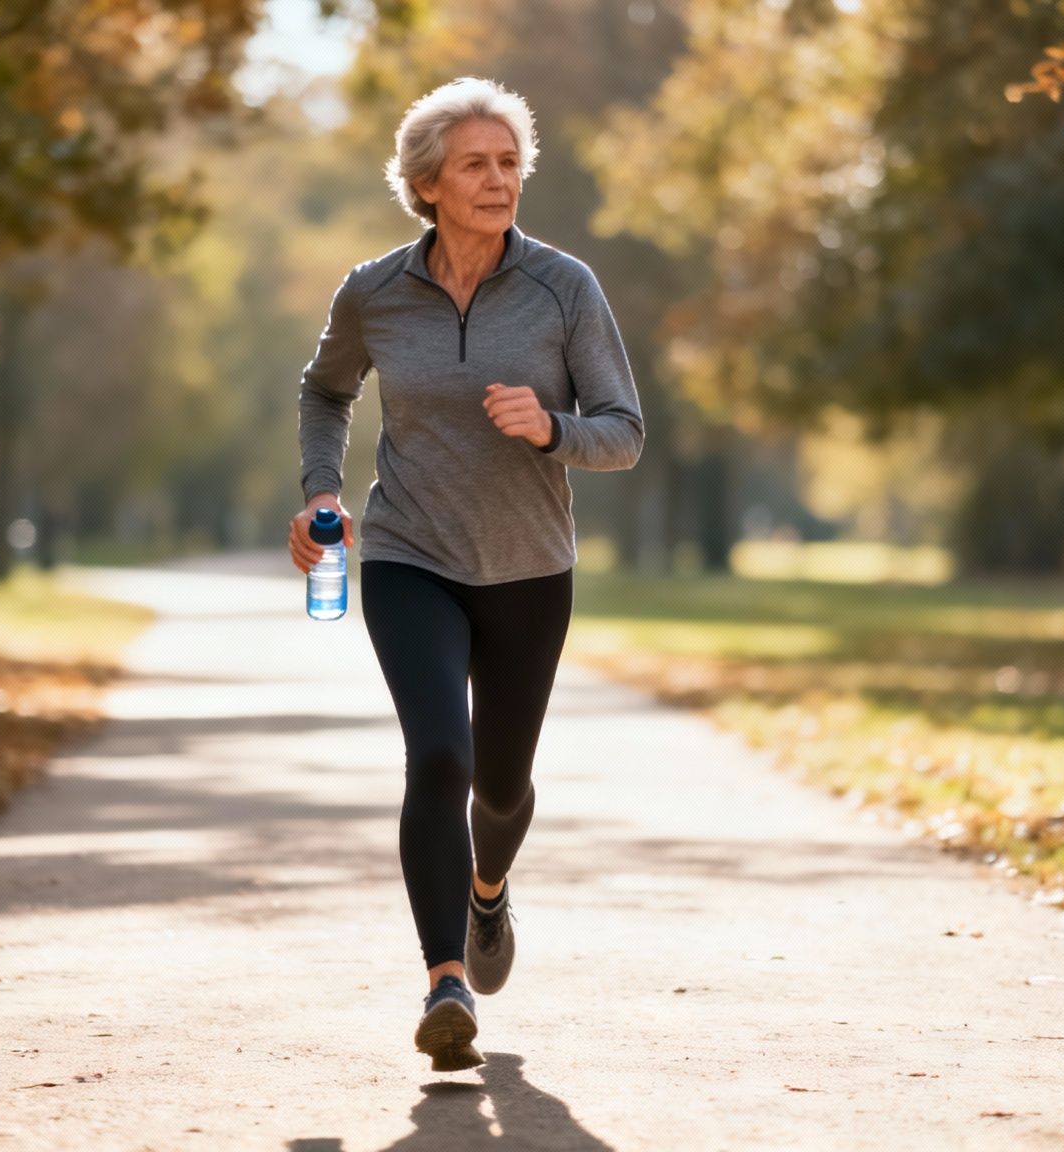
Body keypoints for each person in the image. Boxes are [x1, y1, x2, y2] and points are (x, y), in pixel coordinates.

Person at [286, 76, 645, 1073]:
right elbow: (324, 393)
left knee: (499, 782)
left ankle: (488, 890)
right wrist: (322, 492)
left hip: (529, 566)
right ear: (426, 184)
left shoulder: (562, 287)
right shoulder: (373, 292)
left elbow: (624, 434)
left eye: (509, 163)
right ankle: (445, 979)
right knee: (437, 756)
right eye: (477, 165)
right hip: (409, 555)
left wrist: (550, 429)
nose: (499, 180)